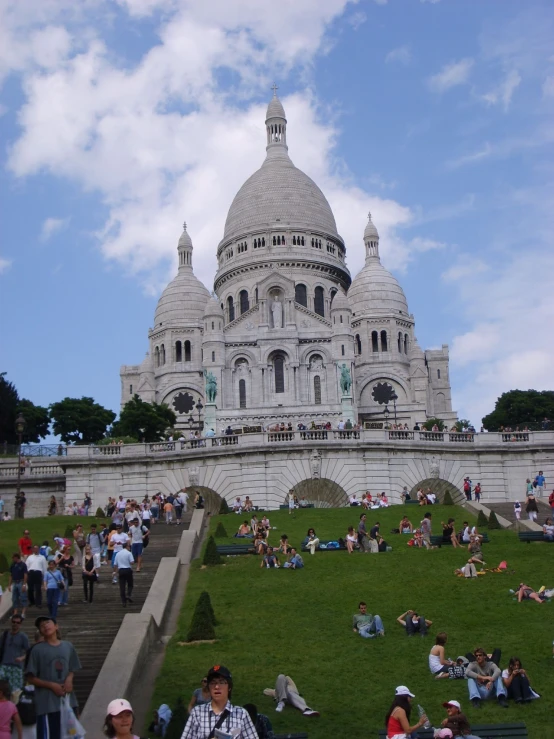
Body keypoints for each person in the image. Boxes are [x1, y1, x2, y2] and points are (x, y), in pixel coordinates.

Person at [26, 616, 81, 739]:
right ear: (40, 631)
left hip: (68, 702)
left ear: (56, 626)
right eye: (41, 626)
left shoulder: (68, 646)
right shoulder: (37, 650)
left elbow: (73, 668)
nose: (45, 626)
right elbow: (30, 677)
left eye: (47, 622)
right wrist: (51, 685)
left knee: (72, 735)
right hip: (47, 705)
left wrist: (69, 679)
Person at [181, 664, 257, 738]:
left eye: (221, 682)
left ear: (229, 687)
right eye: (213, 683)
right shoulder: (197, 712)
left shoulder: (241, 714)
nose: (217, 687)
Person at [0, 615, 30, 694]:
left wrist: (22, 658)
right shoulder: (5, 635)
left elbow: (29, 652)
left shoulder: (23, 637)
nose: (15, 624)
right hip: (4, 666)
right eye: (13, 622)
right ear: (11, 622)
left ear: (20, 624)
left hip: (16, 667)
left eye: (18, 622)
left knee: (15, 692)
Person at [114, 542, 134, 606]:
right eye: (129, 546)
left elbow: (115, 564)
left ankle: (123, 601)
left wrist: (115, 572)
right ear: (127, 547)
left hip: (121, 570)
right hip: (128, 569)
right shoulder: (129, 553)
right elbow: (132, 562)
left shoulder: (118, 554)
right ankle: (128, 594)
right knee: (130, 584)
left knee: (122, 586)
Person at [8, 554, 27, 620]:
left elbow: (25, 574)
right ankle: (15, 613)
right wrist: (9, 585)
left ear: (16, 558)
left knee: (23, 597)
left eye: (13, 558)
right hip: (15, 582)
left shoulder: (23, 565)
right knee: (14, 598)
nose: (13, 560)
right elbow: (11, 575)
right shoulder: (13, 565)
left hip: (21, 582)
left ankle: (23, 613)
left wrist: (24, 584)